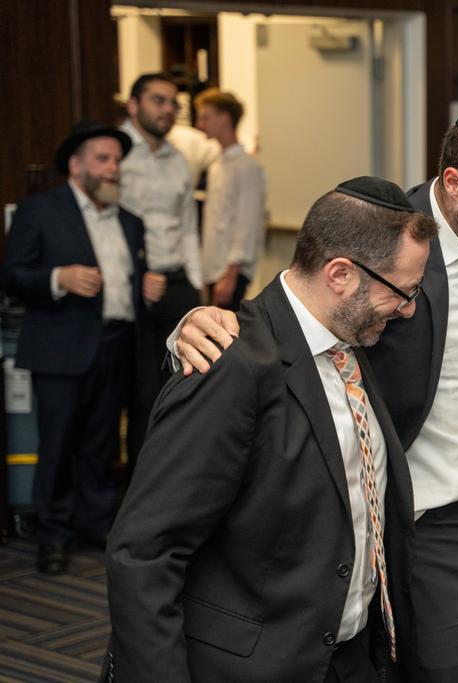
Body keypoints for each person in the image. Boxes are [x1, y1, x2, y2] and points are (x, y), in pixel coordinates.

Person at [172, 99, 458, 682]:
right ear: (454, 185)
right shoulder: (393, 244)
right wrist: (196, 324)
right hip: (429, 523)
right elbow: (301, 308)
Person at [104, 177, 435, 682]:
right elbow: (144, 554)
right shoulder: (231, 366)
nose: (409, 309)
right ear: (340, 274)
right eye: (401, 292)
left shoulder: (350, 343)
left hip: (343, 657)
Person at [2, 121, 165, 574]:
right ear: (76, 166)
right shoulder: (40, 211)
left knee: (102, 445)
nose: (113, 168)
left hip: (116, 346)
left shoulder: (130, 222)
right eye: (103, 159)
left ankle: (96, 524)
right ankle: (53, 535)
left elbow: (130, 285)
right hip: (61, 347)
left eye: (117, 161)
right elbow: (12, 276)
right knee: (57, 444)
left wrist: (146, 291)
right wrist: (59, 279)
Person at [119, 72, 202, 471]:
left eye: (173, 103)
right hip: (134, 285)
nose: (168, 109)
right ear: (133, 105)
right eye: (158, 100)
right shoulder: (115, 154)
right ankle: (140, 481)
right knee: (142, 392)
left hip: (177, 280)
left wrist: (196, 285)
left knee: (187, 386)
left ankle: (177, 477)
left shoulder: (178, 159)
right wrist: (137, 275)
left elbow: (187, 226)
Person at [194, 88, 267, 310]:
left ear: (224, 117)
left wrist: (230, 275)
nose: (200, 124)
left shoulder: (247, 167)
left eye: (205, 117)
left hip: (230, 270)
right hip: (213, 267)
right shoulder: (217, 164)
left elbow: (247, 224)